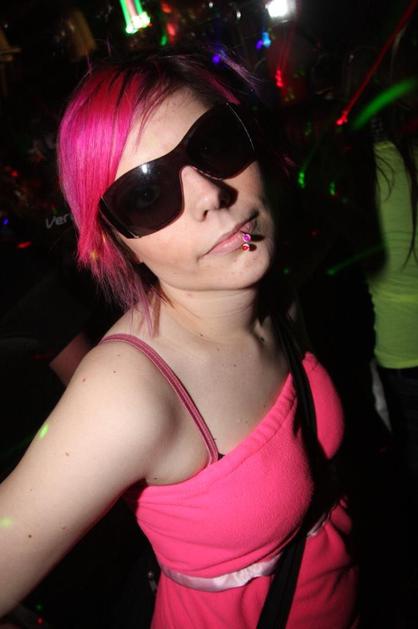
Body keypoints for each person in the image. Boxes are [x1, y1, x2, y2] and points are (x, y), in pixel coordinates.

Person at [0, 46, 358, 628]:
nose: (211, 195)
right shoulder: (128, 391)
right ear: (116, 244)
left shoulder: (270, 290)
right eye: (146, 195)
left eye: (215, 144)